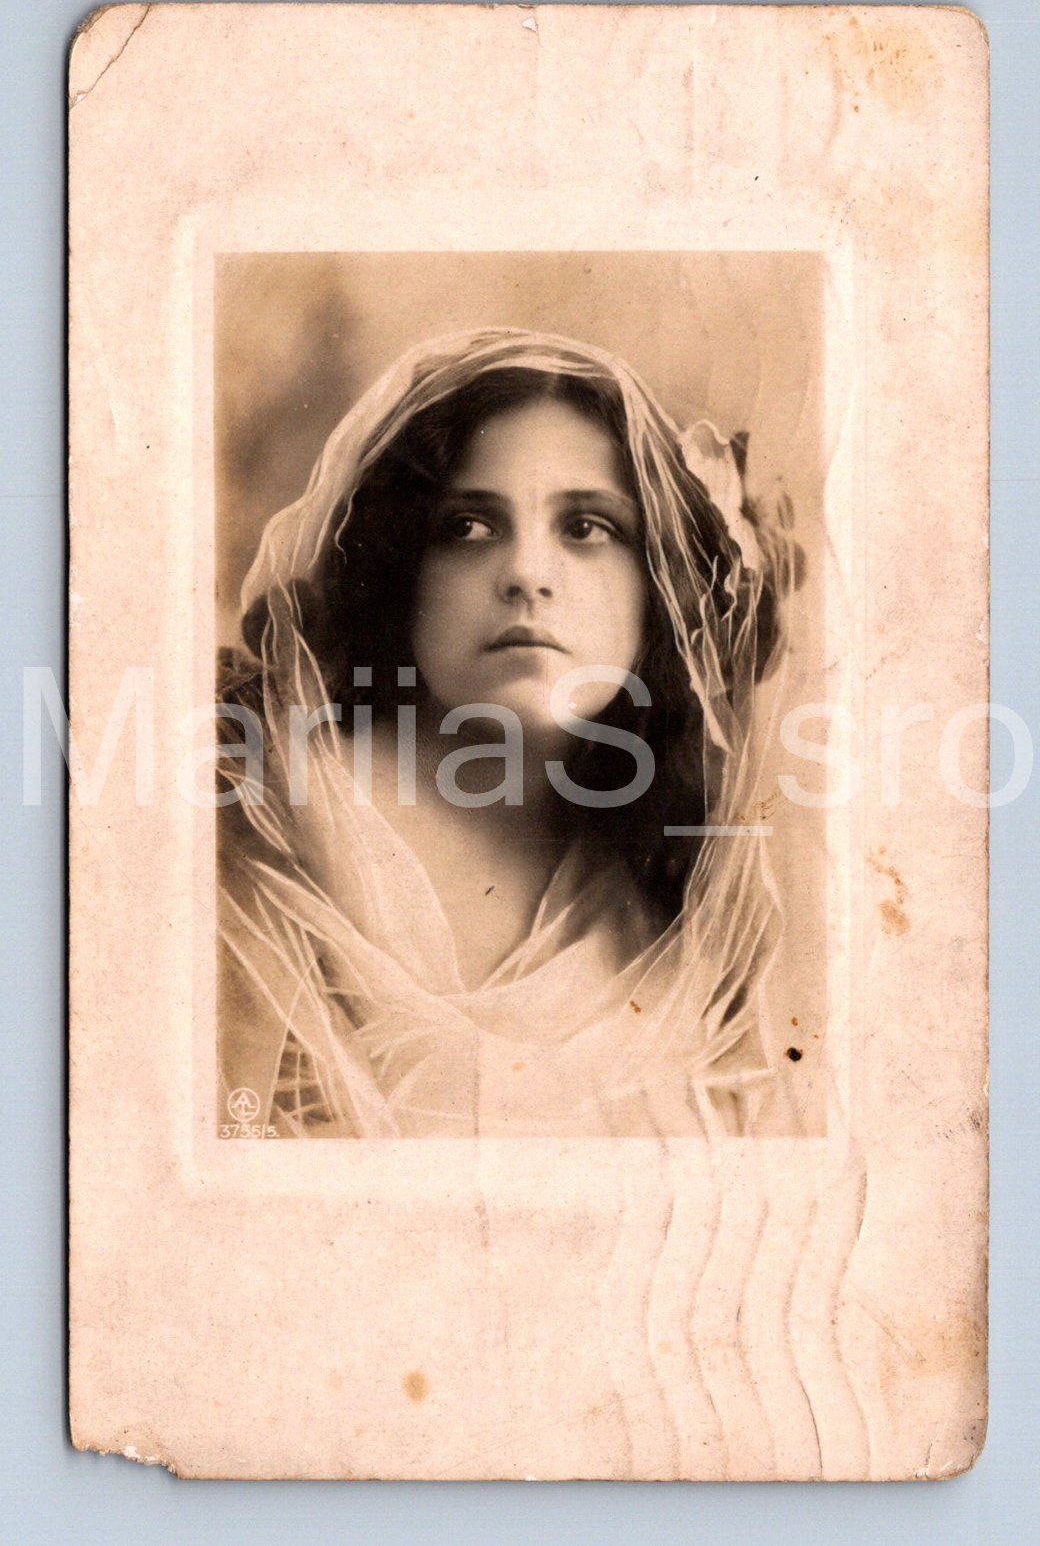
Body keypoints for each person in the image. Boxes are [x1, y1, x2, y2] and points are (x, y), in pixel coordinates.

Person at [216, 328, 800, 1137]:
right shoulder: (268, 819)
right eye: (468, 526)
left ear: (659, 584)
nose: (527, 572)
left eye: (587, 527)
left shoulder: (671, 903)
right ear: (405, 567)